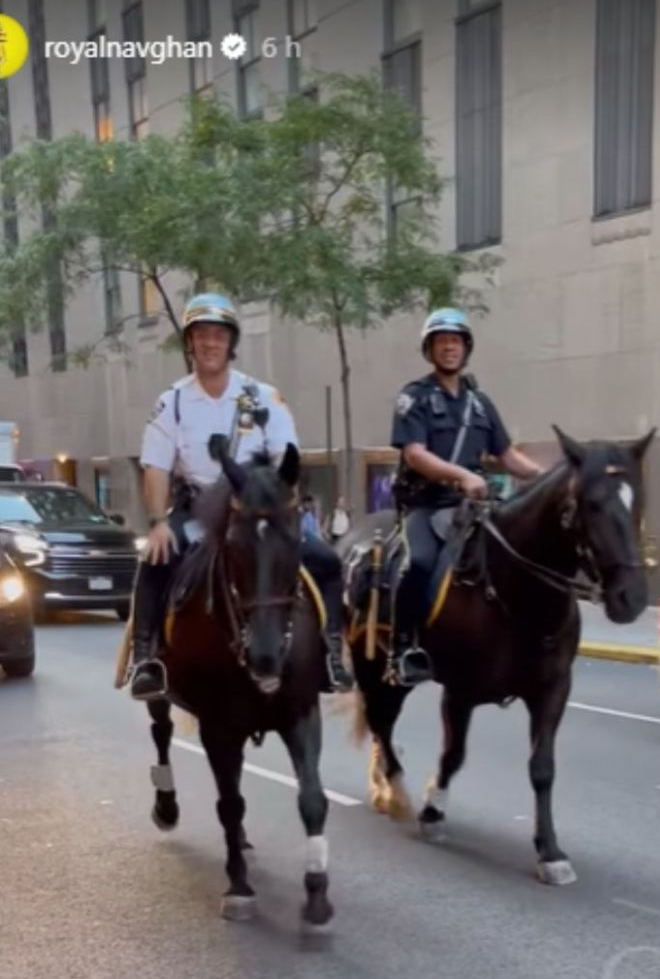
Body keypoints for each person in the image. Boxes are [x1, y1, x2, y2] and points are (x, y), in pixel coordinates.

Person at [126, 292, 355, 700]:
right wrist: (159, 522)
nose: (210, 343)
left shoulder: (263, 397)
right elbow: (156, 468)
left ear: (231, 342)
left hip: (255, 509)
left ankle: (332, 653)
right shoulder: (172, 402)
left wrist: (284, 511)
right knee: (156, 559)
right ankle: (146, 659)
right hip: (197, 510)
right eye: (201, 335)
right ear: (190, 343)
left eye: (218, 335)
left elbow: (287, 460)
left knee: (325, 561)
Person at [387, 308, 544, 686]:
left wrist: (549, 477)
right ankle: (402, 648)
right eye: (442, 342)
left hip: (473, 510)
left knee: (515, 559)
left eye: (455, 342)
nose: (449, 348)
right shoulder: (414, 397)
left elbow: (507, 456)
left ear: (466, 348)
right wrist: (462, 475)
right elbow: (415, 454)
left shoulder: (480, 404)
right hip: (427, 505)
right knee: (420, 564)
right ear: (430, 350)